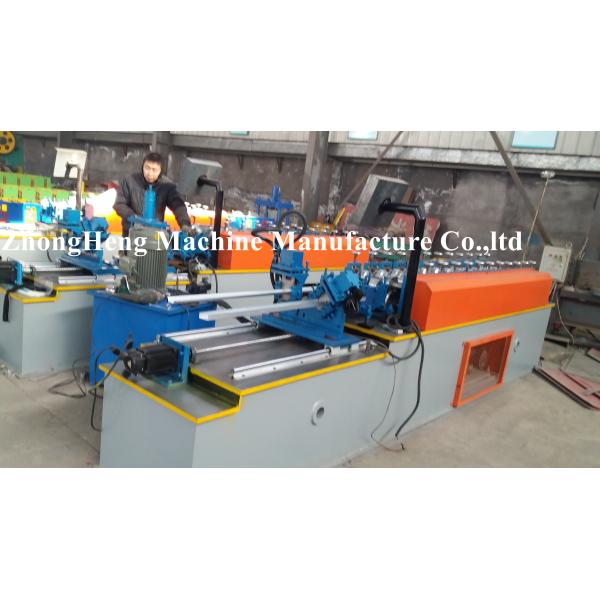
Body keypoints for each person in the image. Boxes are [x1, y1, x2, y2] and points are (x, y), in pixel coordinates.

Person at [114, 151, 192, 236]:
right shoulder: (129, 181)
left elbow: (178, 206)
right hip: (131, 232)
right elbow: (119, 204)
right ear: (142, 166)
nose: (150, 173)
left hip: (154, 234)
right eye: (147, 168)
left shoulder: (167, 186)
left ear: (161, 170)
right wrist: (133, 217)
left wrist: (185, 223)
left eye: (154, 170)